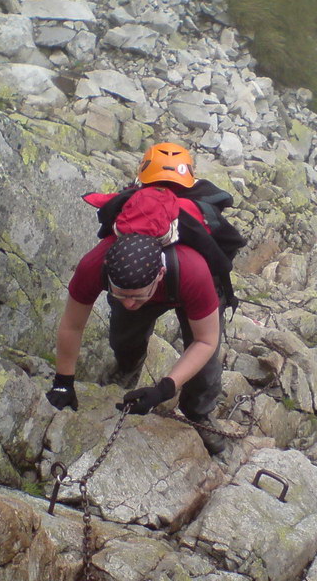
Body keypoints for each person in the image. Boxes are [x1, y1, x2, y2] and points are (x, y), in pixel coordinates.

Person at [46, 144, 229, 456]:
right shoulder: (96, 265)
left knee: (205, 369)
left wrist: (164, 388)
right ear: (109, 275)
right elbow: (72, 325)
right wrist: (63, 380)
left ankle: (198, 414)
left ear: (158, 274)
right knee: (124, 337)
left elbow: (205, 341)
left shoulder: (194, 270)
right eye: (120, 295)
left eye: (137, 297)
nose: (130, 302)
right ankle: (127, 368)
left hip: (191, 285)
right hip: (152, 280)